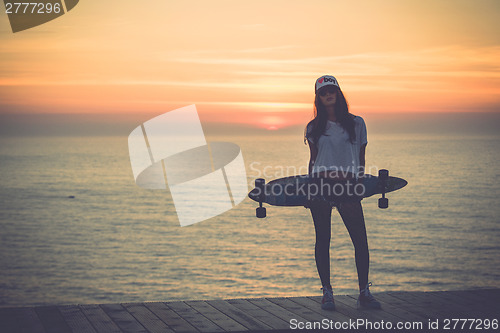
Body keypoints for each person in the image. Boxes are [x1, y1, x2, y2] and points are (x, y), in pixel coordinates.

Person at [304, 75, 381, 311]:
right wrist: (308, 188)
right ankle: (327, 293)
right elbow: (313, 160)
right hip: (320, 185)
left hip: (348, 187)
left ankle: (364, 293)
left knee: (360, 240)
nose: (328, 95)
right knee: (323, 239)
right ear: (318, 97)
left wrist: (359, 183)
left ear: (338, 94)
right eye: (323, 92)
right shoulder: (313, 127)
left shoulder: (357, 123)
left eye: (332, 91)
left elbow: (361, 157)